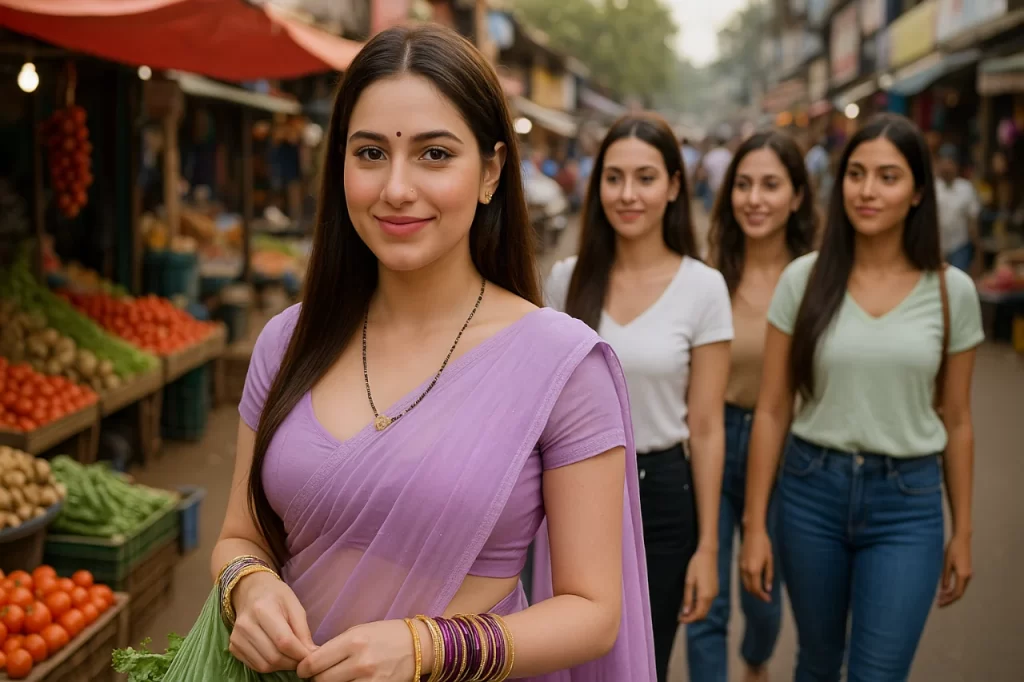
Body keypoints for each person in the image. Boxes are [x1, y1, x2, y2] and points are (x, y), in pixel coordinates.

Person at [212, 25, 656, 682]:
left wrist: (430, 648)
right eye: (369, 153)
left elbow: (593, 612)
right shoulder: (287, 341)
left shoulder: (563, 367)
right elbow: (238, 538)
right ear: (340, 168)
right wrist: (248, 587)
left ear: (492, 172)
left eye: (434, 155)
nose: (395, 188)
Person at [740, 114, 982, 681]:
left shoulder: (953, 293)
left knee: (878, 673)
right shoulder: (803, 281)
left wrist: (963, 532)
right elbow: (772, 410)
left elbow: (959, 419)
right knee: (818, 663)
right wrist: (755, 527)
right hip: (809, 497)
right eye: (856, 174)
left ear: (918, 191)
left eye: (888, 176)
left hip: (908, 504)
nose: (868, 190)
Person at [546, 112, 731, 682]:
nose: (628, 194)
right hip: (571, 498)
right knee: (570, 663)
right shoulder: (567, 280)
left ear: (675, 186)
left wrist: (707, 547)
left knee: (642, 663)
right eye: (614, 177)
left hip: (663, 499)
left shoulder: (704, 287)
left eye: (646, 178)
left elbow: (705, 427)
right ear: (596, 183)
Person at [694, 130, 817, 682]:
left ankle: (756, 660)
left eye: (771, 185)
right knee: (706, 600)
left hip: (789, 454)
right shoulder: (706, 275)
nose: (754, 198)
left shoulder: (819, 279)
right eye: (743, 184)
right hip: (711, 439)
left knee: (765, 598)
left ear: (797, 196)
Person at [935, 143, 981, 272]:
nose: (947, 167)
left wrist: (978, 255)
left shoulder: (966, 188)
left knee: (957, 284)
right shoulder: (933, 188)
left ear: (956, 166)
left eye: (950, 163)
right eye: (944, 163)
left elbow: (972, 222)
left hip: (959, 247)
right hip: (936, 248)